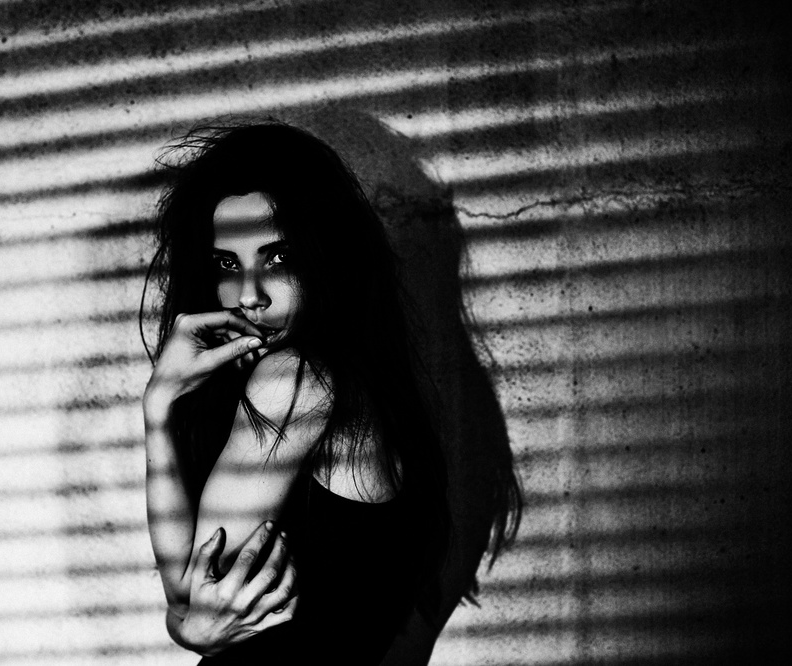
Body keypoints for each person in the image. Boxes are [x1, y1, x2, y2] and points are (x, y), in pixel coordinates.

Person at [140, 122, 521, 664]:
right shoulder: (370, 389)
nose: (249, 295)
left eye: (277, 258)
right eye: (228, 263)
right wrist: (159, 409)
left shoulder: (294, 380)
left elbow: (192, 598)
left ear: (325, 256)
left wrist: (184, 628)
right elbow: (199, 607)